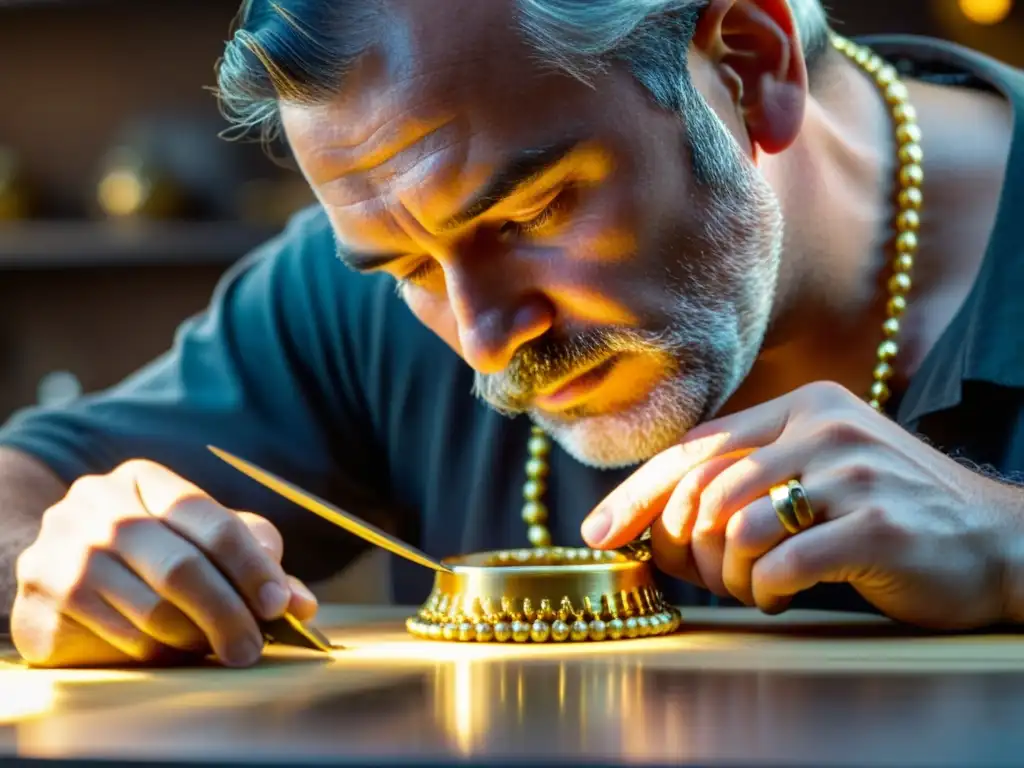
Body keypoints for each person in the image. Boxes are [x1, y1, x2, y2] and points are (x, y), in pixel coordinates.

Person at [2, 0, 1024, 669]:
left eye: (530, 213)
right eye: (406, 266)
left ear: (748, 65)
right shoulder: (376, 275)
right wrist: (64, 560)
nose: (487, 342)